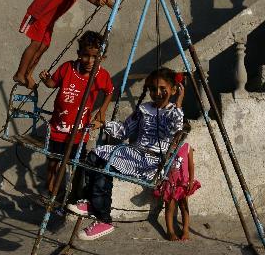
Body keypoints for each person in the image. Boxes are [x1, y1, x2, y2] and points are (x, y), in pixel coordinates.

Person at [67, 67, 185, 240]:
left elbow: (177, 128)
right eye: (153, 89)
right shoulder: (144, 109)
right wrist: (104, 124)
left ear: (174, 90)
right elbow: (124, 131)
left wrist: (179, 101)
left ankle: (103, 218)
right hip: (133, 154)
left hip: (151, 162)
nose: (157, 93)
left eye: (162, 89)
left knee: (106, 164)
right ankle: (94, 206)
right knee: (95, 155)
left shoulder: (173, 113)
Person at [38, 31, 114, 200]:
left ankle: (74, 196)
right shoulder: (68, 68)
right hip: (57, 128)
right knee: (52, 161)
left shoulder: (101, 75)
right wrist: (46, 79)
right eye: (86, 56)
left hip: (79, 133)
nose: (90, 61)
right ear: (79, 54)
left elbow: (110, 91)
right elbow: (52, 83)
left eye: (95, 57)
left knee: (77, 164)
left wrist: (101, 115)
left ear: (102, 57)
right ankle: (50, 190)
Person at [153, 121, 201, 241]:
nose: (178, 137)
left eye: (182, 134)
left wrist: (190, 181)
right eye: (176, 133)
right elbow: (161, 164)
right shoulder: (166, 147)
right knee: (170, 207)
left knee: (184, 207)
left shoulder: (187, 147)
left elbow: (191, 166)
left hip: (182, 183)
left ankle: (185, 230)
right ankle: (170, 231)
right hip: (169, 183)